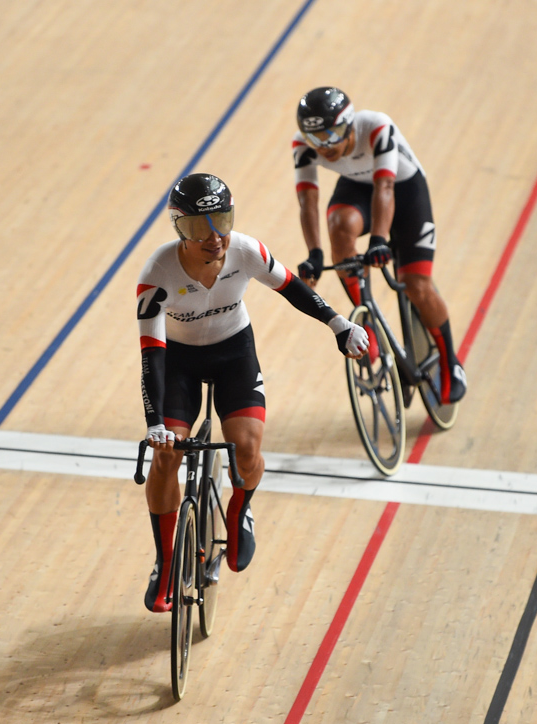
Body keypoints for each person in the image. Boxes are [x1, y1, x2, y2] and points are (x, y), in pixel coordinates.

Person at [137, 173, 368, 612]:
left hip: (233, 355)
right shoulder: (157, 274)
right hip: (179, 363)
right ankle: (165, 561)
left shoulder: (245, 250)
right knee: (167, 456)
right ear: (179, 230)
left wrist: (340, 325)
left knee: (246, 446)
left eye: (221, 220)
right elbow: (152, 357)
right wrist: (154, 425)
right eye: (198, 227)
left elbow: (294, 290)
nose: (214, 236)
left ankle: (240, 508)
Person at [291, 86, 467, 404]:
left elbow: (385, 186)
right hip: (358, 188)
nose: (325, 147)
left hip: (404, 190)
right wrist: (315, 253)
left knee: (417, 285)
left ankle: (450, 361)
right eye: (317, 140)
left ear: (348, 125)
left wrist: (378, 241)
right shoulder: (303, 145)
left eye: (332, 137)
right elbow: (308, 200)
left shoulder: (375, 126)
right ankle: (368, 323)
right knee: (339, 227)